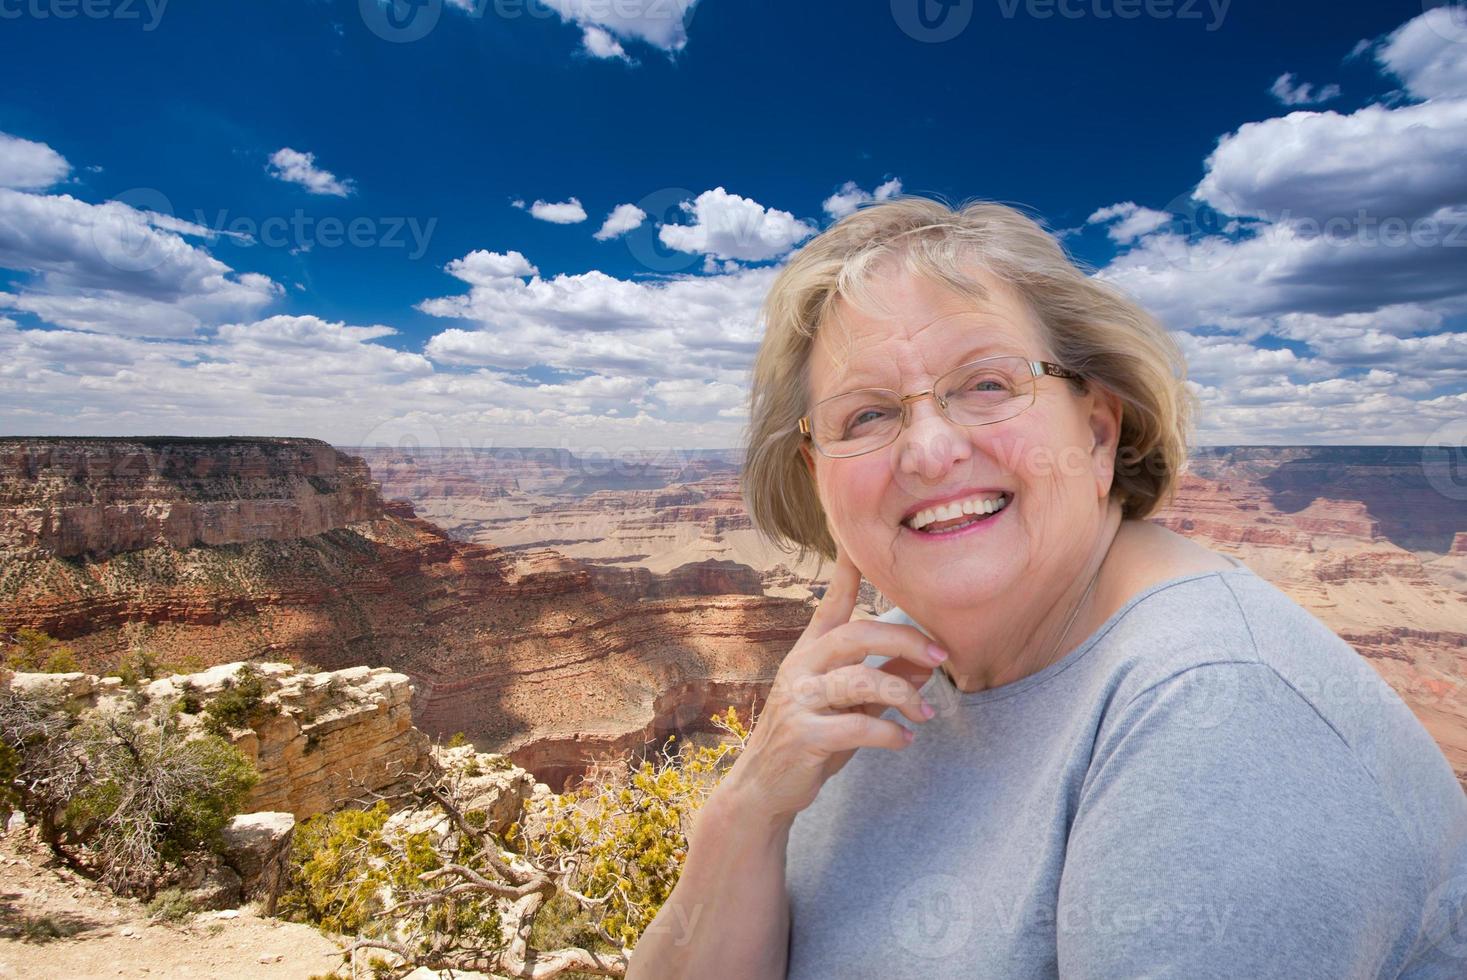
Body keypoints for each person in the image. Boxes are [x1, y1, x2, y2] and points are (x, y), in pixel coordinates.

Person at [626, 197, 1467, 979]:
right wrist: (747, 809)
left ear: (1098, 430)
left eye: (987, 384)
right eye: (866, 416)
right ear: (818, 476)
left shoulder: (1214, 713)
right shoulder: (879, 681)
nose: (928, 451)